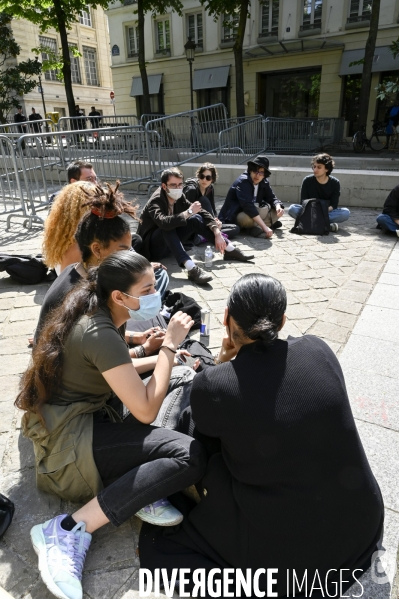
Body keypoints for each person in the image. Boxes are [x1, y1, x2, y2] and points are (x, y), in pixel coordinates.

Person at [139, 273, 384, 597]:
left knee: (198, 452)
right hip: (362, 523)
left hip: (294, 563)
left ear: (226, 319)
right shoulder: (317, 349)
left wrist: (223, 364)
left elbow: (209, 437)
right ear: (282, 319)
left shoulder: (215, 385)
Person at [17, 251, 206, 599]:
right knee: (188, 456)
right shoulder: (100, 330)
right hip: (68, 448)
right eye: (148, 288)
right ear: (120, 296)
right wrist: (168, 345)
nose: (156, 294)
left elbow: (113, 370)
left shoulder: (100, 310)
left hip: (88, 420)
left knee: (178, 375)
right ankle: (68, 529)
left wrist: (162, 357)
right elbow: (147, 410)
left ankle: (139, 485)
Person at [35, 181, 169, 350]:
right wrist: (150, 350)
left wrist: (138, 338)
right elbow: (105, 361)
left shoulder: (81, 272)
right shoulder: (82, 297)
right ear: (97, 249)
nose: (128, 256)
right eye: (122, 250)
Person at [137, 168, 253, 286]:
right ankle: (191, 268)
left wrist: (217, 232)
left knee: (195, 219)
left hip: (169, 245)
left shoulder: (179, 196)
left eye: (180, 185)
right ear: (164, 186)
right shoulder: (156, 201)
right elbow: (163, 222)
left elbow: (201, 211)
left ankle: (228, 249)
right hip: (151, 249)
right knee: (168, 225)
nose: (177, 188)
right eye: (173, 185)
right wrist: (188, 212)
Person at [218, 155, 284, 239]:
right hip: (236, 215)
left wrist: (278, 206)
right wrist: (264, 227)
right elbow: (248, 206)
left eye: (261, 172)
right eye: (255, 171)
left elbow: (272, 197)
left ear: (264, 175)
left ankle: (256, 228)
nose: (257, 175)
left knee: (276, 213)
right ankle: (265, 225)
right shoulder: (243, 182)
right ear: (250, 170)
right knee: (246, 218)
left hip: (254, 213)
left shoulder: (264, 182)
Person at [288, 153, 350, 232]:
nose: (315, 170)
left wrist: (322, 211)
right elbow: (303, 202)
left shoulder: (335, 182)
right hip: (309, 211)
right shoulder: (307, 180)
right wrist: (313, 211)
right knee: (292, 209)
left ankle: (314, 223)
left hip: (326, 211)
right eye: (314, 167)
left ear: (326, 169)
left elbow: (334, 205)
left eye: (319, 167)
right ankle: (326, 224)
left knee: (345, 213)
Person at [183, 163, 240, 240]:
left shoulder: (210, 188)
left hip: (207, 222)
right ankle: (212, 235)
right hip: (194, 222)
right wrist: (212, 222)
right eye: (202, 176)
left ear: (212, 179)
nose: (204, 180)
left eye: (208, 178)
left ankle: (203, 238)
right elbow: (188, 213)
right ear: (198, 176)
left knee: (235, 228)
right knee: (204, 200)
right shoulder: (192, 189)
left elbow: (212, 208)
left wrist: (216, 220)